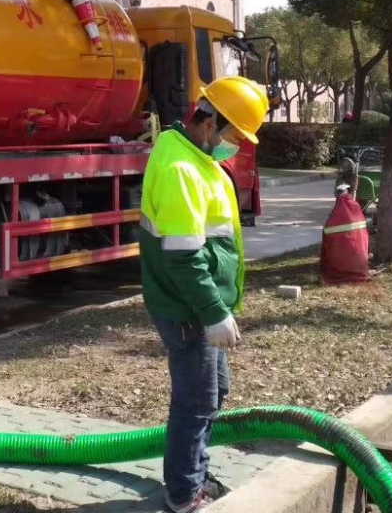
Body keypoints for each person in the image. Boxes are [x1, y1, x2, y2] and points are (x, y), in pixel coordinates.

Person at [139, 76, 269, 513]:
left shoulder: (197, 157)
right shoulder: (180, 168)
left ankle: (195, 471)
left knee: (214, 391)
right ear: (211, 122)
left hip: (195, 304)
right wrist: (213, 312)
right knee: (196, 401)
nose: (237, 145)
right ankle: (183, 493)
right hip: (187, 309)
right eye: (235, 135)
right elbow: (183, 257)